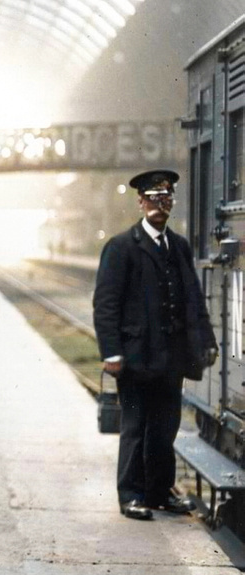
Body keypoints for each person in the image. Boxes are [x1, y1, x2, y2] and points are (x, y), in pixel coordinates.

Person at [93, 169, 216, 521]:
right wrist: (111, 353)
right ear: (140, 202)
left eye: (166, 199)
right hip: (134, 358)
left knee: (165, 428)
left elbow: (193, 297)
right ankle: (131, 494)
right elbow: (106, 305)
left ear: (172, 203)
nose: (159, 206)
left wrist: (205, 341)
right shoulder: (120, 247)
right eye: (152, 199)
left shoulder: (178, 247)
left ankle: (159, 492)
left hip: (171, 359)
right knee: (134, 427)